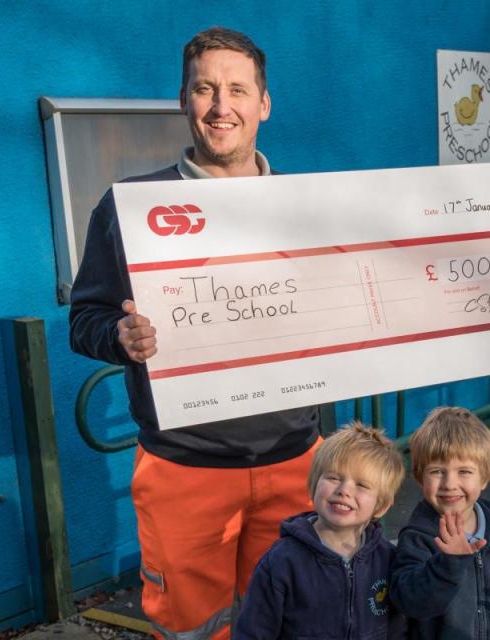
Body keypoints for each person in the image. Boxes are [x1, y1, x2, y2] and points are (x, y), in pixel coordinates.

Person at [69, 27, 320, 639]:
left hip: (297, 460)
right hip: (184, 467)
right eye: (204, 89)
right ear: (183, 99)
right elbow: (85, 319)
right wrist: (120, 338)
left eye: (237, 89)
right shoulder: (130, 205)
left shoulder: (311, 205)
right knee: (193, 627)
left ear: (264, 103)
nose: (220, 106)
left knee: (294, 618)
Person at [233, 423, 406, 639]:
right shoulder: (281, 561)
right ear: (314, 484)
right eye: (334, 477)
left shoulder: (387, 558)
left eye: (361, 485)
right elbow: (253, 632)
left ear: (381, 505)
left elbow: (397, 629)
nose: (344, 491)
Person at [390, 407, 490, 639]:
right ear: (420, 477)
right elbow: (409, 601)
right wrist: (448, 564)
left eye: (464, 471)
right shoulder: (417, 537)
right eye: (437, 471)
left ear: (484, 477)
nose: (450, 483)